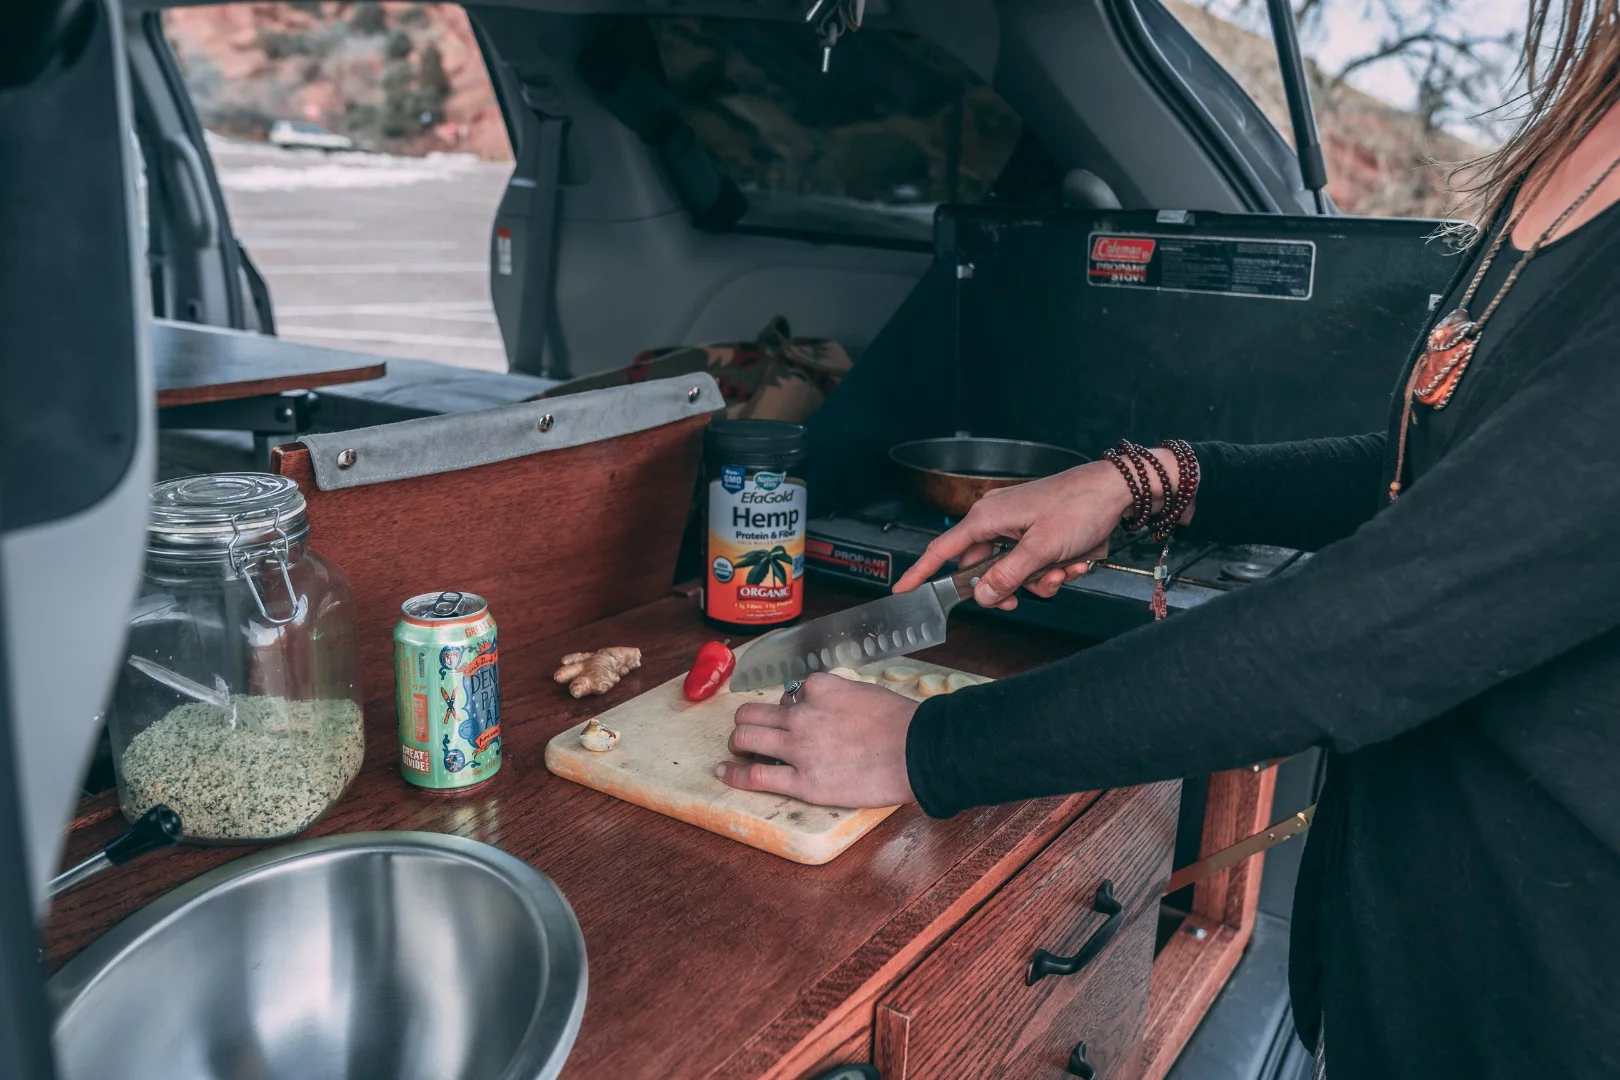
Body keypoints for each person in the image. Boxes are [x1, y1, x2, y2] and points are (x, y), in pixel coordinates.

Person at [715, 3, 1620, 1075]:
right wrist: (1146, 481)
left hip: (1542, 988)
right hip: (1402, 933)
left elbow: (1359, 631)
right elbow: (1439, 479)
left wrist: (925, 749)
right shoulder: (1586, 127)